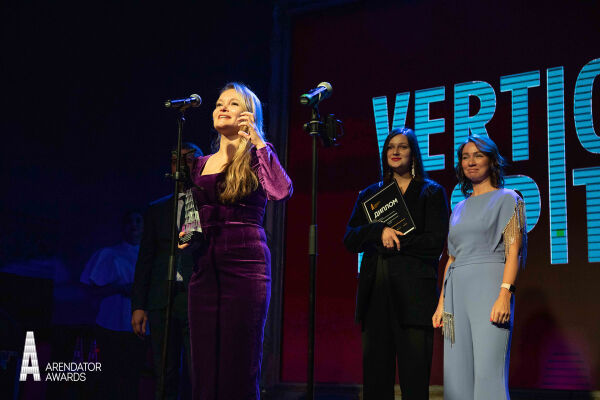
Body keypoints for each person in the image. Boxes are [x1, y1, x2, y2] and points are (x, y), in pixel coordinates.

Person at [179, 82, 292, 400]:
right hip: (206, 268)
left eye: (232, 103)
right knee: (204, 364)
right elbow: (192, 210)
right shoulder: (199, 164)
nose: (222, 108)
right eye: (219, 103)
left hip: (246, 267)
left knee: (239, 362)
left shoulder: (256, 156)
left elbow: (281, 191)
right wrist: (188, 233)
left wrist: (257, 140)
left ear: (249, 114)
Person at [344, 128, 449, 400]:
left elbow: (435, 243)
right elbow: (350, 238)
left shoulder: (431, 192)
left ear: (413, 153)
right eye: (391, 147)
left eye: (402, 146)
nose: (395, 151)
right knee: (376, 383)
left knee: (415, 383)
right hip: (376, 296)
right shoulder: (371, 194)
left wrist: (397, 239)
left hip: (414, 299)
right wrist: (378, 231)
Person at [432, 134, 527, 400]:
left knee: (488, 375)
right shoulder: (458, 208)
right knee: (457, 377)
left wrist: (505, 294)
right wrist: (441, 303)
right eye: (465, 157)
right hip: (456, 294)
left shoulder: (509, 199)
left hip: (490, 288)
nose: (471, 162)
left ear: (492, 160)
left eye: (478, 155)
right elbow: (452, 258)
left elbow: (513, 251)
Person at [131, 142, 203, 400]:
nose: (181, 165)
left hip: (195, 298)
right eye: (175, 160)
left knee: (199, 373)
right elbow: (146, 259)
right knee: (164, 372)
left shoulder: (208, 206)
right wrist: (139, 305)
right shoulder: (157, 209)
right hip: (163, 298)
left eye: (188, 159)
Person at [80, 210, 145, 400]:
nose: (134, 225)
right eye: (130, 221)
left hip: (139, 329)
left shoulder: (151, 258)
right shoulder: (108, 254)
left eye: (138, 221)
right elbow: (90, 290)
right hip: (110, 325)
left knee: (132, 379)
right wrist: (118, 288)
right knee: (108, 377)